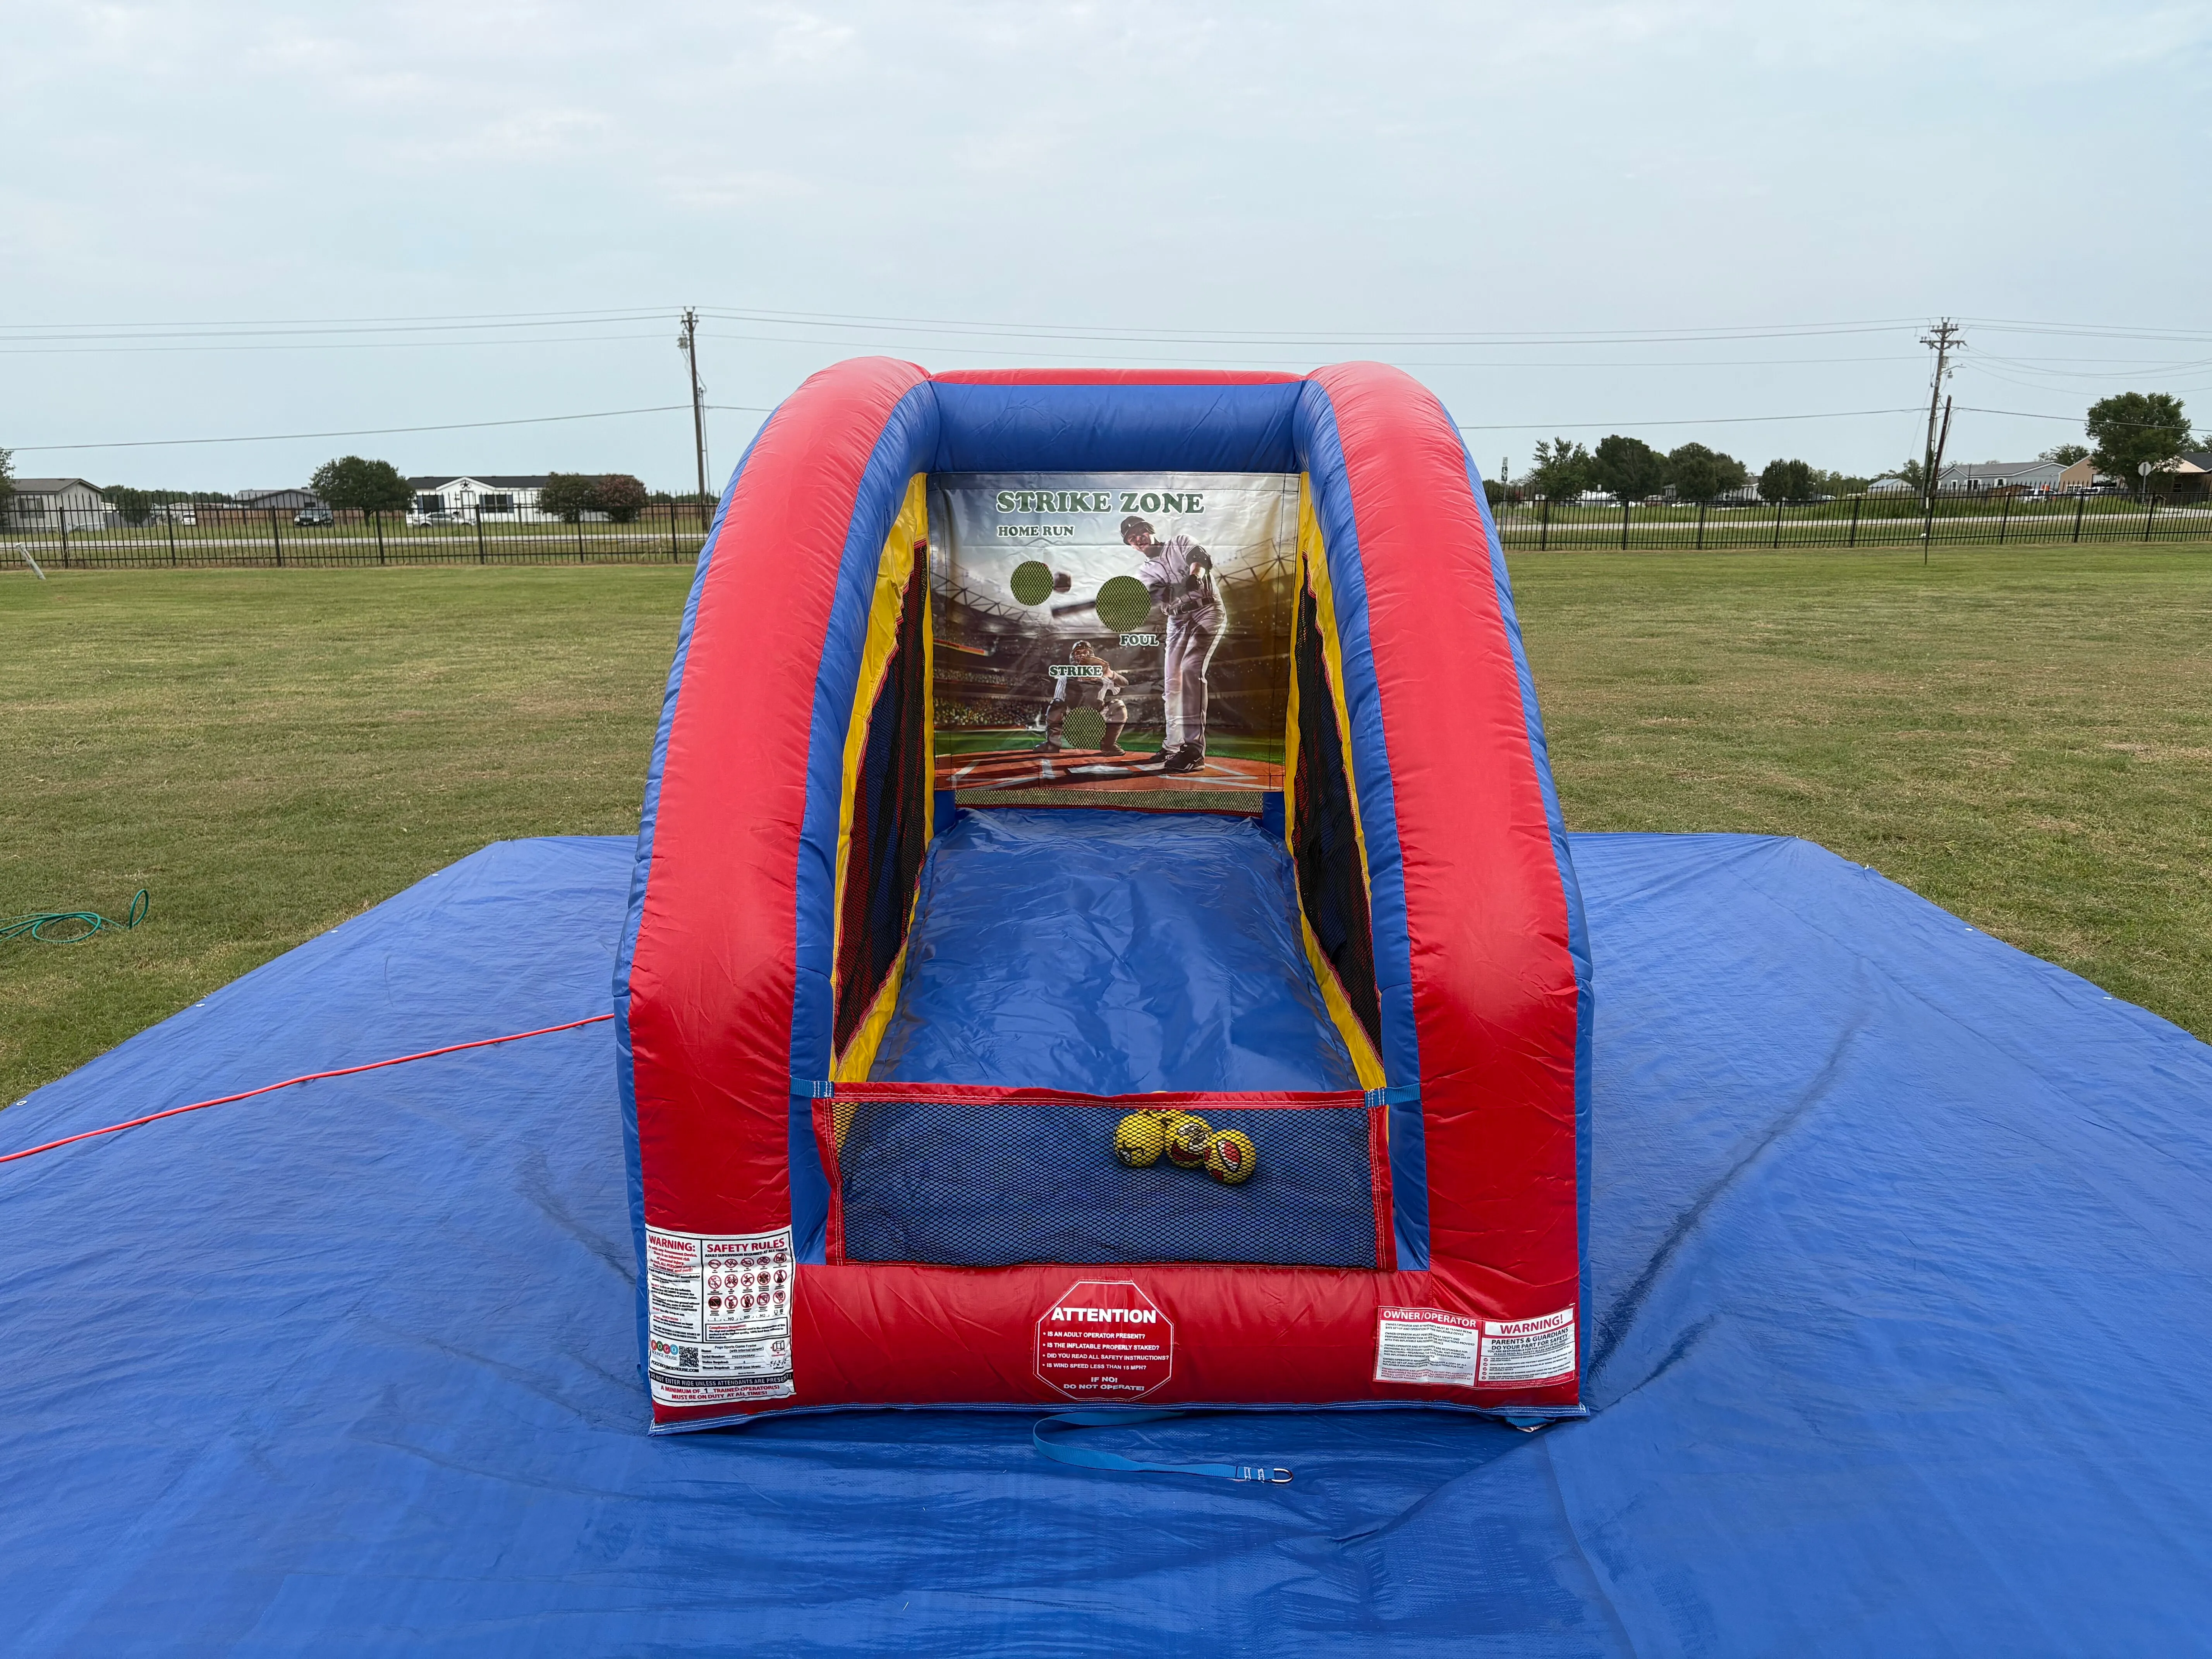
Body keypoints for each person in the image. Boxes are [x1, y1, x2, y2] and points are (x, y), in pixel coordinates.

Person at [1121, 514, 1222, 775]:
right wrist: (1171, 590)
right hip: (1176, 621)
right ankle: (1173, 745)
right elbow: (1159, 595)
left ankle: (1194, 751)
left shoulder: (1180, 542)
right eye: (1132, 539)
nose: (1138, 540)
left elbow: (1199, 558)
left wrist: (1195, 576)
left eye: (1140, 533)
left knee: (1190, 669)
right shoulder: (1145, 572)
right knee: (1172, 683)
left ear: (1150, 530)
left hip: (1207, 609)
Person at [1039, 639, 1128, 756]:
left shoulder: (1102, 674)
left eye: (1086, 652)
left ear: (1092, 656)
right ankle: (1053, 744)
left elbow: (1124, 683)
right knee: (1056, 704)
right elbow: (1057, 704)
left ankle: (1108, 745)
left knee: (1119, 707)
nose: (1082, 655)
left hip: (1097, 718)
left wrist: (1110, 673)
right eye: (1078, 652)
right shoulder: (1066, 676)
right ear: (1073, 657)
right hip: (1071, 718)